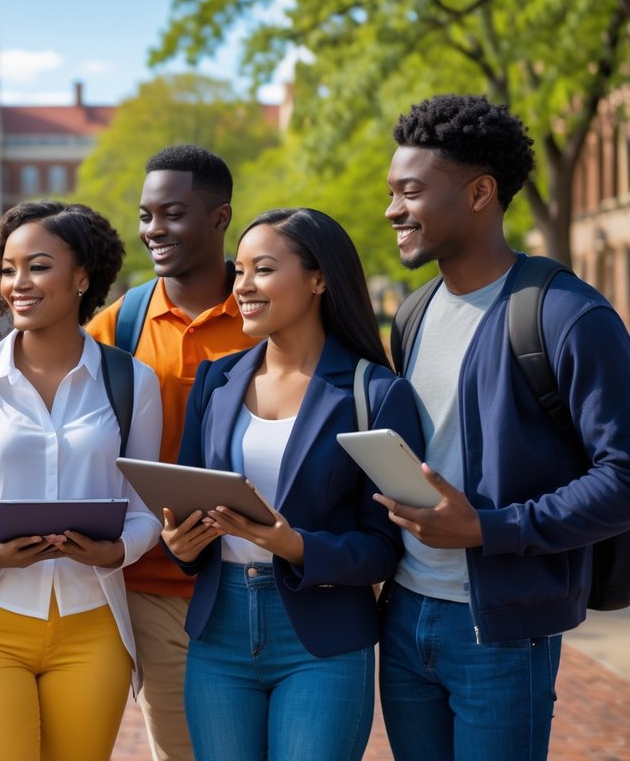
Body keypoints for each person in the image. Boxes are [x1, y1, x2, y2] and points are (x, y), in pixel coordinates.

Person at [377, 94, 630, 760]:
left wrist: (490, 529)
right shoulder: (411, 313)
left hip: (502, 632)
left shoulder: (568, 316)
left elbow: (623, 477)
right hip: (404, 616)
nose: (391, 210)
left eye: (409, 191)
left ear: (480, 193)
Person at [164, 208, 420, 760]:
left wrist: (296, 546)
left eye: (264, 269)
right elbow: (186, 500)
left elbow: (386, 548)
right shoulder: (217, 379)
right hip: (218, 632)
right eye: (239, 272)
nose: (243, 287)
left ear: (318, 278)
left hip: (321, 638)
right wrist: (180, 546)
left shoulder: (375, 393)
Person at [0, 201, 163, 761]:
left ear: (82, 277)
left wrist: (118, 549)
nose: (17, 283)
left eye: (38, 265)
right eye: (7, 268)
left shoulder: (131, 382)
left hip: (94, 625)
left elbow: (146, 509)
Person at [84, 144, 254, 761]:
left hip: (260, 583)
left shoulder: (270, 313)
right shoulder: (112, 330)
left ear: (220, 218)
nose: (154, 229)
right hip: (154, 590)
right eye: (146, 214)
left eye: (173, 213)